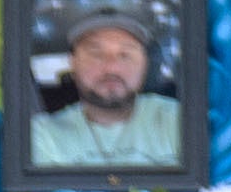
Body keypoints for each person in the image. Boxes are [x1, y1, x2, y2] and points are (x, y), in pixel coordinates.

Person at [27, 10, 178, 173]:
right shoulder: (44, 135)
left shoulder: (177, 120)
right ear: (73, 63)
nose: (111, 67)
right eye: (96, 54)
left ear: (145, 64)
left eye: (125, 55)